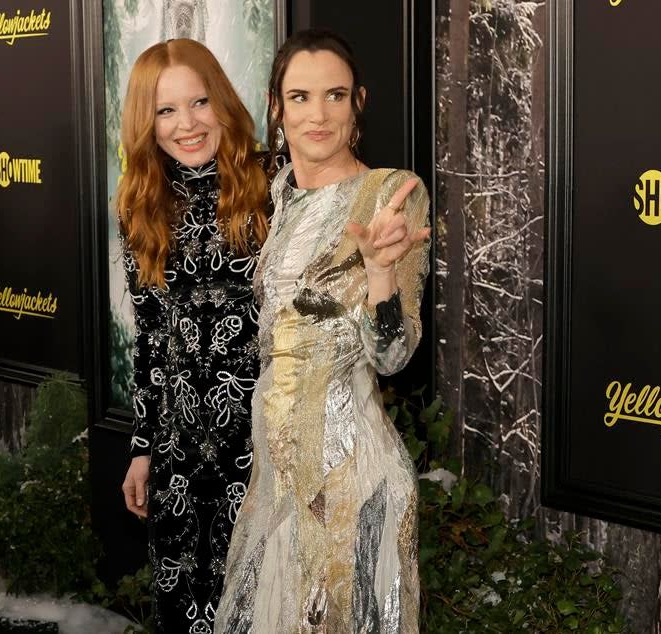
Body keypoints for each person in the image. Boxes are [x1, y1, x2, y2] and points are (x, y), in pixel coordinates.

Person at [215, 29, 431, 633]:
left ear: (358, 101)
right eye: (301, 97)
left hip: (353, 483)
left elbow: (394, 358)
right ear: (276, 105)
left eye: (335, 95)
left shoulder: (390, 194)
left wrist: (382, 274)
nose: (319, 114)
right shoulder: (279, 193)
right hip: (277, 479)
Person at [116, 38, 269, 633]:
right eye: (166, 110)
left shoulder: (270, 184)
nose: (187, 124)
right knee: (187, 612)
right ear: (145, 123)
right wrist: (142, 445)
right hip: (181, 453)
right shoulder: (140, 205)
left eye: (200, 101)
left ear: (223, 100)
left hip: (264, 443)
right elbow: (151, 337)